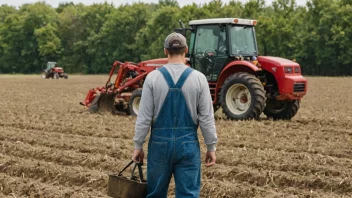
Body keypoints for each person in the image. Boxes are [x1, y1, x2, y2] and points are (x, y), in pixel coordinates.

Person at [132, 32, 218, 198]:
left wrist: (138, 145)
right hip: (188, 144)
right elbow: (207, 118)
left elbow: (144, 117)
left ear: (165, 51)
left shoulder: (152, 78)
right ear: (186, 50)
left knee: (155, 194)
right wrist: (211, 147)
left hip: (159, 144)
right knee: (188, 194)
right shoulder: (199, 79)